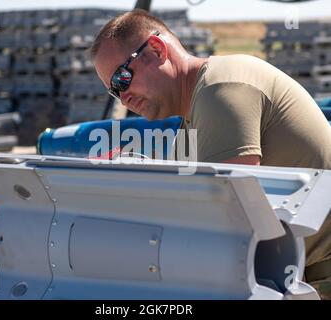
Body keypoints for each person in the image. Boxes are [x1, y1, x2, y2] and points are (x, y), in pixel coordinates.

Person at [91, 9, 331, 299]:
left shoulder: (221, 90)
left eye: (122, 79)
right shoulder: (195, 114)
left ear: (156, 50)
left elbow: (228, 224)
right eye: (114, 92)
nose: (123, 96)